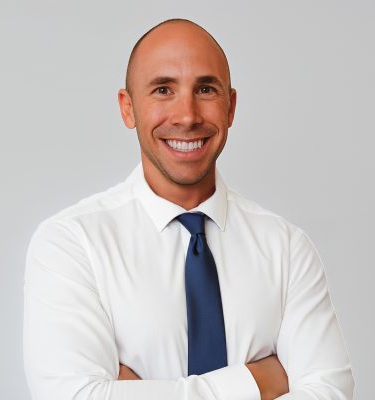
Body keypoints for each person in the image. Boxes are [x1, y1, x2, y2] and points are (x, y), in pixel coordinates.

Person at [23, 18, 354, 400]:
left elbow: (332, 392)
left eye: (206, 89)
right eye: (163, 90)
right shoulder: (71, 243)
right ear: (128, 109)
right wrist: (257, 381)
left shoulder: (287, 247)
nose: (187, 115)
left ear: (230, 107)